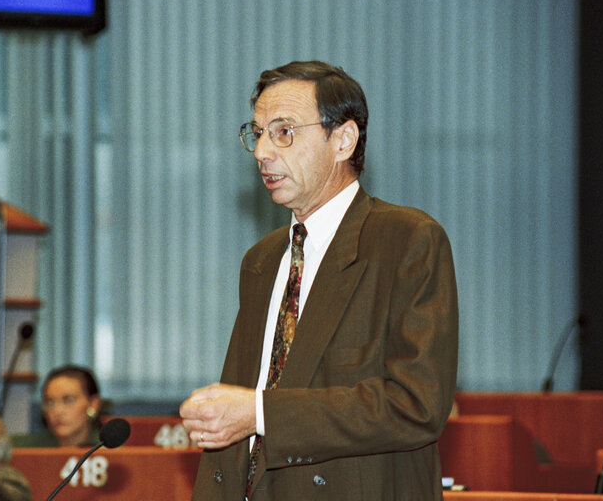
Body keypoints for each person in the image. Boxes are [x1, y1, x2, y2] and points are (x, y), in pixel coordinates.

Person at [179, 60, 459, 500]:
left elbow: (416, 405)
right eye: (258, 133)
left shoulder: (406, 240)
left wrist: (260, 413)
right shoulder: (263, 259)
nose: (262, 152)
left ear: (343, 140)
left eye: (284, 131)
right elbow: (238, 419)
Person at [12, 365, 103, 447]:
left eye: (68, 400)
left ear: (93, 404)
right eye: (50, 403)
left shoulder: (110, 450)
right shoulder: (20, 448)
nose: (57, 411)